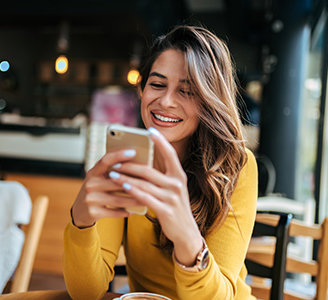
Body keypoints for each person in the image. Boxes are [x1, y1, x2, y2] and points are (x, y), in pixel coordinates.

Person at [63, 24, 258, 300]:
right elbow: (86, 293)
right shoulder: (125, 160)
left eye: (187, 91)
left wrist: (186, 235)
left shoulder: (235, 166)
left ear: (209, 101)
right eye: (157, 84)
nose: (165, 101)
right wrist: (81, 221)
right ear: (142, 89)